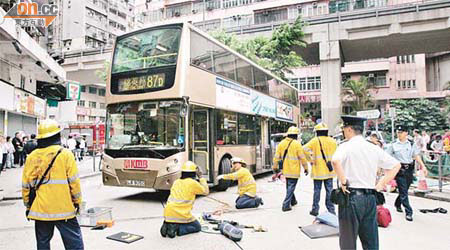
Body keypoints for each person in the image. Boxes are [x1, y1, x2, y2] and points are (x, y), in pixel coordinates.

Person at [331, 115, 400, 250]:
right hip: (370, 198)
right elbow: (396, 165)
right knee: (370, 241)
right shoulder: (373, 147)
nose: (343, 132)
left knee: (348, 242)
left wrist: (344, 182)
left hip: (351, 198)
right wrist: (380, 184)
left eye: (344, 129)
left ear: (349, 129)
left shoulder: (346, 146)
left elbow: (335, 161)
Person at [22, 120, 84, 250]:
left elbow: (26, 185)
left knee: (43, 243)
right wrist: (77, 202)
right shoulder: (66, 154)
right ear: (57, 135)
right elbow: (74, 182)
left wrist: (28, 205)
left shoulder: (32, 156)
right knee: (74, 243)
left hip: (40, 210)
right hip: (64, 209)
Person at [386, 125, 428, 222]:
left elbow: (416, 156)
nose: (399, 134)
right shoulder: (393, 145)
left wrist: (423, 166)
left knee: (405, 189)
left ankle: (397, 203)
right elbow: (387, 157)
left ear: (406, 133)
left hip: (409, 170)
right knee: (404, 191)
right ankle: (409, 212)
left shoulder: (411, 144)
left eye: (401, 132)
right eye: (398, 132)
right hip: (399, 170)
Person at [161, 161, 209, 238]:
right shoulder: (193, 183)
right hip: (181, 214)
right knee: (197, 227)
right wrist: (201, 177)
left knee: (175, 218)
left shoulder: (176, 182)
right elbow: (206, 191)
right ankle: (178, 229)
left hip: (168, 213)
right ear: (193, 173)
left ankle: (167, 224)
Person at [303, 123, 337, 216]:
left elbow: (304, 149)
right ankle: (331, 210)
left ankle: (315, 209)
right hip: (329, 171)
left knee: (317, 190)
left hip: (318, 171)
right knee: (329, 190)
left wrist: (310, 159)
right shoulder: (333, 141)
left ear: (317, 132)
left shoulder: (314, 141)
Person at [272, 126, 309, 212]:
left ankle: (293, 201)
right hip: (294, 170)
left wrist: (275, 167)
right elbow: (302, 158)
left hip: (286, 170)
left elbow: (276, 157)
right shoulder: (297, 144)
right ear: (296, 135)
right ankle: (286, 205)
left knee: (289, 186)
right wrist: (306, 168)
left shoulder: (281, 143)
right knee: (291, 187)